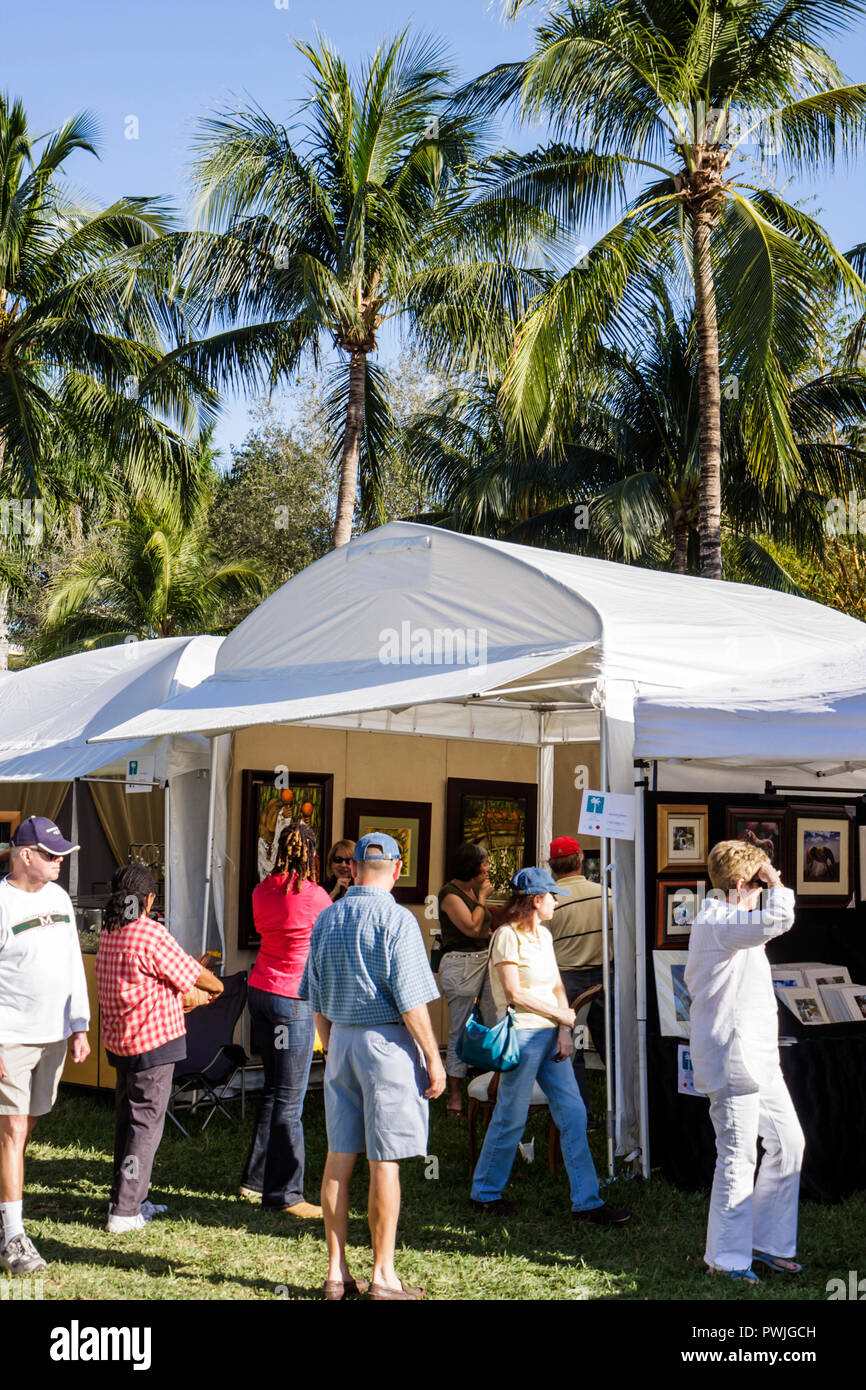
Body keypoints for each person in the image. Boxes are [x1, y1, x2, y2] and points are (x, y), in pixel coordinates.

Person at [300, 832, 445, 1300]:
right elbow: (412, 1002)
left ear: (356, 867)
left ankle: (336, 1272)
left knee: (339, 1157)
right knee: (386, 1162)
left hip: (340, 1038)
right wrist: (434, 1057)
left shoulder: (326, 917)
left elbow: (315, 996)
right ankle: (383, 1276)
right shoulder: (399, 920)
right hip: (387, 1044)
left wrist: (331, 1042)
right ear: (398, 869)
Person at [470, 867, 629, 1226]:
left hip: (549, 1036)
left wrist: (562, 1027)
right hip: (523, 1036)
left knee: (573, 1114)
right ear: (536, 899)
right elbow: (514, 993)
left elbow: (557, 985)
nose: (557, 901)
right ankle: (485, 1193)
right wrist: (562, 1015)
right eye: (552, 896)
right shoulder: (506, 937)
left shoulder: (543, 935)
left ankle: (587, 1201)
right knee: (511, 1116)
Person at [685, 840, 804, 1285]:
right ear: (741, 885)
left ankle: (768, 1244)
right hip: (733, 1057)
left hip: (758, 1056)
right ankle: (727, 1259)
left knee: (789, 1142)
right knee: (736, 1156)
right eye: (759, 883)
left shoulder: (730, 920)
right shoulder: (719, 920)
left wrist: (765, 874)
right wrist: (776, 880)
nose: (765, 889)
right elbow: (781, 918)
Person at [96, 864, 223, 1233]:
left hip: (121, 1043)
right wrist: (217, 987)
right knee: (144, 1127)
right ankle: (124, 1211)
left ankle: (131, 1197)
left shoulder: (110, 931)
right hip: (153, 1044)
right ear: (149, 899)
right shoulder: (151, 933)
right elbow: (193, 974)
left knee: (127, 1123)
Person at [0, 816, 91, 1274]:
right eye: (53, 855)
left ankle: (5, 1209)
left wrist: (80, 1025)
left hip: (54, 1034)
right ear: (25, 855)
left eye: (62, 855)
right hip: (10, 1036)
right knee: (13, 1131)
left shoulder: (59, 898)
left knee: (25, 1128)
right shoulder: (1, 902)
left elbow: (73, 961)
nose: (60, 862)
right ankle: (13, 1237)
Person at [239, 822, 332, 1216]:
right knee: (290, 1100)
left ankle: (255, 1180)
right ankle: (286, 1195)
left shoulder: (262, 891)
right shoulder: (316, 896)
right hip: (292, 999)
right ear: (311, 855)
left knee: (273, 1090)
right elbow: (327, 942)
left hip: (260, 991)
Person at [547, 836, 613, 1130]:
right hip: (605, 976)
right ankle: (621, 1115)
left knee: (567, 1049)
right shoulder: (607, 895)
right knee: (612, 1048)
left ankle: (581, 1116)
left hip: (566, 980)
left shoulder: (551, 903)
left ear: (552, 866)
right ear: (580, 860)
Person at [437, 842, 496, 1117]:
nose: (487, 868)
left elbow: (484, 926)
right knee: (460, 1029)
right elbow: (472, 928)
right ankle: (455, 1097)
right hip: (460, 963)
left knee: (494, 1023)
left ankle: (494, 1087)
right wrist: (483, 899)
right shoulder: (449, 894)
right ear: (471, 867)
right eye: (483, 863)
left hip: (484, 960)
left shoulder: (470, 891)